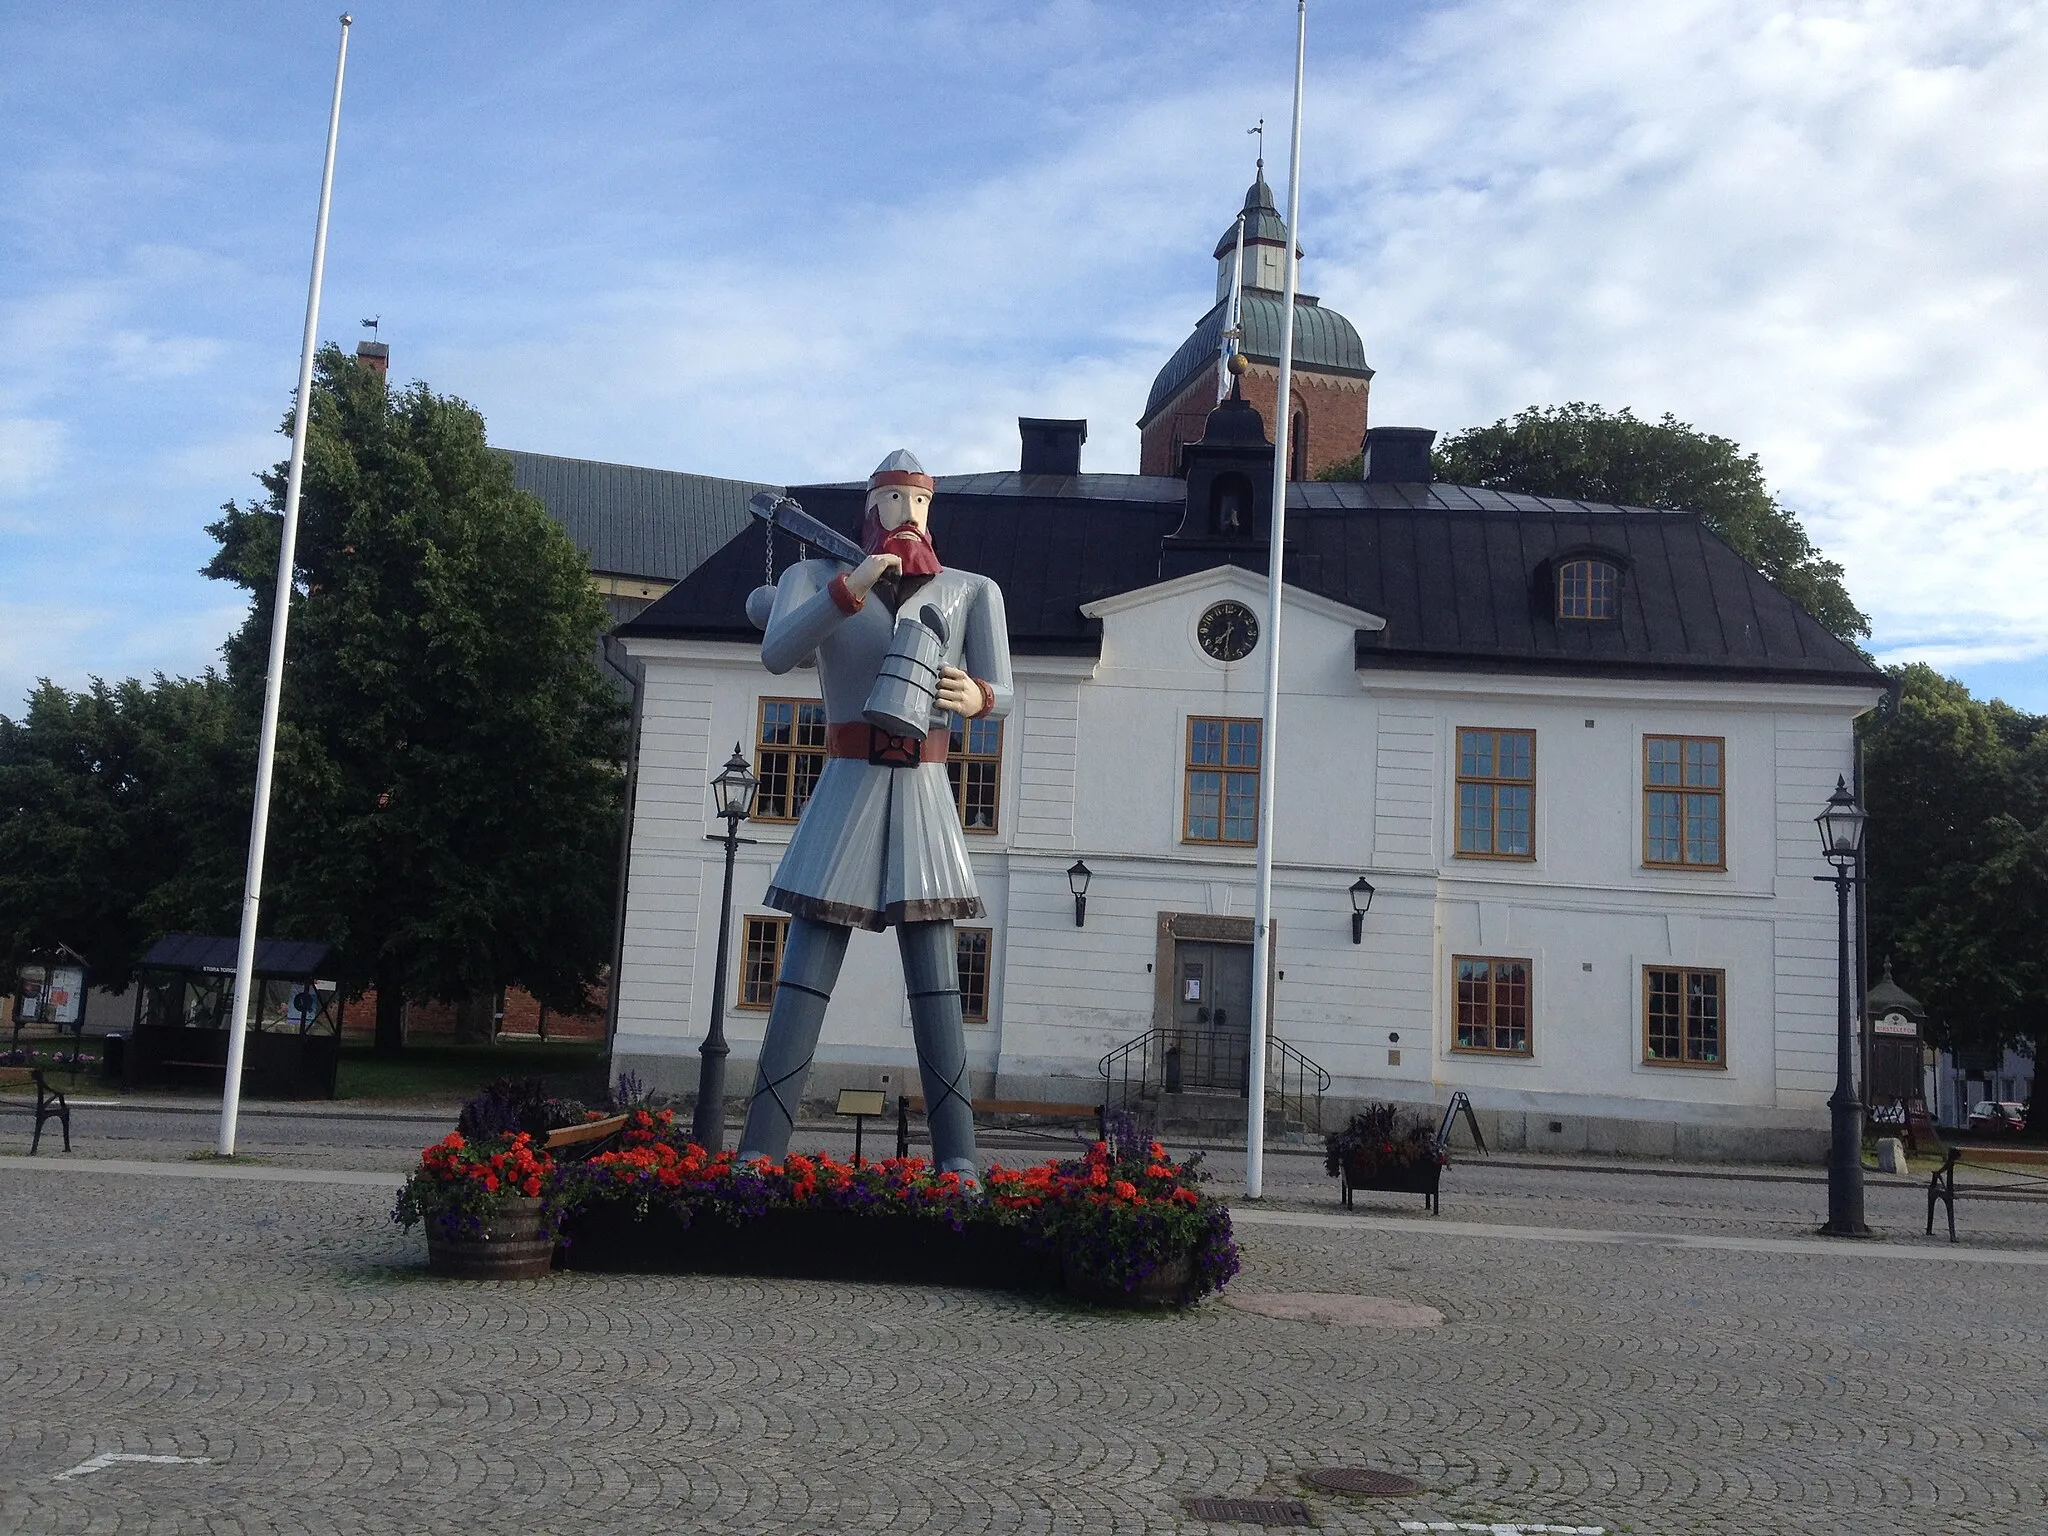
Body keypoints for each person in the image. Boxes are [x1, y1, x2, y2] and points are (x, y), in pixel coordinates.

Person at [737, 450, 1012, 1181]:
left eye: (917, 503)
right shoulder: (812, 576)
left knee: (937, 988)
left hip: (924, 792)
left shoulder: (970, 590)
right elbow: (777, 653)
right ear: (871, 508)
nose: (907, 515)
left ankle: (957, 1157)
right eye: (893, 501)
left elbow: (1003, 688)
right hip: (847, 781)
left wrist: (980, 697)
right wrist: (848, 589)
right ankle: (760, 1152)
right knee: (802, 975)